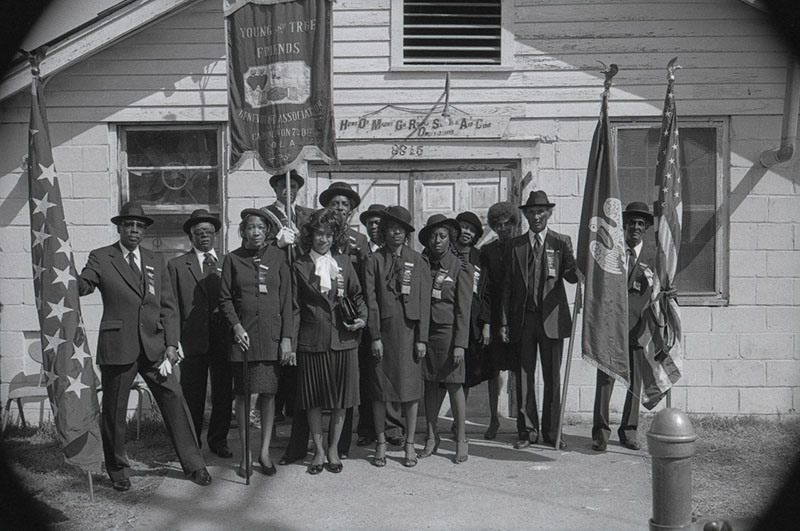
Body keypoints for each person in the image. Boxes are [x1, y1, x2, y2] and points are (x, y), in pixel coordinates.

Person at [78, 202, 211, 491]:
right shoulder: (102, 257)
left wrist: (172, 344)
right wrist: (70, 281)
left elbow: (168, 307)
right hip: (118, 346)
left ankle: (194, 465)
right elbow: (84, 283)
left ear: (145, 230)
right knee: (114, 412)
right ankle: (118, 471)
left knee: (175, 401)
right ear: (120, 227)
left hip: (155, 348)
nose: (134, 230)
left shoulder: (155, 260)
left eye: (139, 226)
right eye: (129, 225)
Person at [500, 191, 580, 450]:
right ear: (525, 215)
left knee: (552, 378)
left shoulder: (561, 242)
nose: (536, 217)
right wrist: (503, 322)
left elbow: (570, 276)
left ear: (549, 213)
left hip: (552, 320)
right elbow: (507, 288)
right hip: (524, 320)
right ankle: (526, 431)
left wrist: (581, 267)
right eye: (532, 212)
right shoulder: (516, 245)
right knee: (523, 377)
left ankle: (552, 432)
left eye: (541, 212)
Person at [219, 208, 294, 477]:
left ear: (268, 231)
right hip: (244, 339)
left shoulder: (279, 258)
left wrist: (287, 338)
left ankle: (263, 452)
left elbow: (288, 301)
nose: (256, 232)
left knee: (268, 394)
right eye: (251, 227)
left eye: (261, 227)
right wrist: (236, 327)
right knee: (243, 394)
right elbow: (225, 298)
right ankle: (246, 453)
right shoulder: (233, 259)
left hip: (271, 338)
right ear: (243, 231)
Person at [292, 208, 367, 474]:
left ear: (335, 236)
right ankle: (318, 451)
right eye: (318, 234)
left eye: (328, 234)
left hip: (344, 339)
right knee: (313, 399)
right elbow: (294, 307)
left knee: (340, 400)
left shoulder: (345, 262)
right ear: (310, 235)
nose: (323, 239)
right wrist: (290, 343)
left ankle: (334, 449)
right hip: (312, 340)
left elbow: (357, 297)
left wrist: (362, 319)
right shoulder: (299, 265)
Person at [364, 206, 431, 468]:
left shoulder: (418, 260)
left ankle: (410, 443)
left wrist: (422, 338)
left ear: (406, 233)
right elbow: (371, 300)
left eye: (401, 229)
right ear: (384, 231)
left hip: (410, 333)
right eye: (391, 228)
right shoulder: (375, 260)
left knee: (411, 391)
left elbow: (424, 302)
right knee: (381, 391)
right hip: (384, 335)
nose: (396, 233)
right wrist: (374, 336)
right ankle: (381, 442)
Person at [167, 209, 233, 458]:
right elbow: (171, 306)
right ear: (190, 237)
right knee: (192, 395)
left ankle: (218, 440)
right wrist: (172, 342)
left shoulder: (227, 262)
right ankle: (192, 443)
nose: (204, 236)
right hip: (192, 340)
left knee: (223, 393)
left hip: (223, 339)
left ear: (215, 235)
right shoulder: (176, 265)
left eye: (208, 232)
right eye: (198, 233)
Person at [591, 201, 655, 452]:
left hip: (639, 328)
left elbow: (661, 288)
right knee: (605, 379)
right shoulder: (613, 251)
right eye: (631, 223)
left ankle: (628, 431)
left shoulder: (654, 256)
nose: (635, 228)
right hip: (611, 327)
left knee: (634, 383)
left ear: (646, 227)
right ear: (625, 226)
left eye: (640, 223)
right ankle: (600, 432)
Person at [318, 181, 370, 455]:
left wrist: (362, 315)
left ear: (351, 211)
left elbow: (363, 283)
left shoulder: (359, 241)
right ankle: (308, 443)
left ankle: (341, 444)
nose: (339, 208)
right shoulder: (317, 234)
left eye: (345, 205)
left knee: (345, 387)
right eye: (335, 203)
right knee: (314, 386)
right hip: (319, 319)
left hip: (347, 319)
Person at [418, 214, 473, 464]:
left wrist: (460, 344)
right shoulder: (422, 264)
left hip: (450, 335)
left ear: (450, 239)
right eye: (433, 236)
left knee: (453, 385)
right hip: (427, 335)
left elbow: (464, 309)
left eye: (441, 236)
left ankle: (461, 439)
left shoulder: (460, 268)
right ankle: (432, 436)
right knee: (429, 385)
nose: (437, 241)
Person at [262, 169, 314, 423]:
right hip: (277, 280)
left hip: (303, 280)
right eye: (283, 186)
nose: (289, 190)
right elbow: (258, 247)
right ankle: (276, 408)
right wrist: (276, 243)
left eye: (293, 186)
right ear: (275, 189)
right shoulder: (265, 215)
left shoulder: (306, 215)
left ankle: (296, 407)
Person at [356, 204, 406, 448]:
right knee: (370, 379)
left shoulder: (400, 254)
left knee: (394, 374)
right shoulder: (360, 251)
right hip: (366, 323)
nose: (374, 228)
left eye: (378, 223)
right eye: (370, 223)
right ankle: (368, 428)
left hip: (393, 325)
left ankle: (393, 426)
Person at [479, 202, 522, 440]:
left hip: (519, 316)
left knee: (519, 369)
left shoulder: (522, 246)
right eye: (498, 225)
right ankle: (494, 419)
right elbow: (484, 289)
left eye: (507, 224)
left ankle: (523, 422)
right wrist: (486, 322)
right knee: (494, 370)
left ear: (514, 224)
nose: (503, 228)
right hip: (496, 316)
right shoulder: (488, 251)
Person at [453, 212, 490, 421]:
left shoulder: (479, 257)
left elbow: (487, 292)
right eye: (463, 227)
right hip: (447, 322)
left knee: (465, 376)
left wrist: (486, 324)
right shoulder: (444, 252)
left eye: (471, 229)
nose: (466, 232)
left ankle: (458, 421)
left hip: (471, 323)